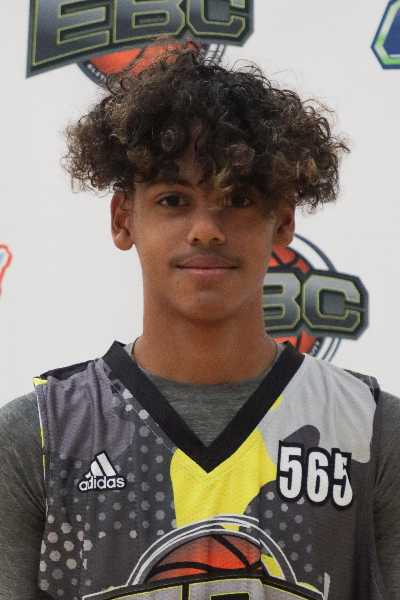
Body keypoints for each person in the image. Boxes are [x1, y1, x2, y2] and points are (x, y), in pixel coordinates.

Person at [0, 41, 399, 600]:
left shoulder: (374, 433)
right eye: (173, 200)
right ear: (123, 219)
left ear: (283, 220)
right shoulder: (36, 439)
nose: (206, 229)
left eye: (237, 198)